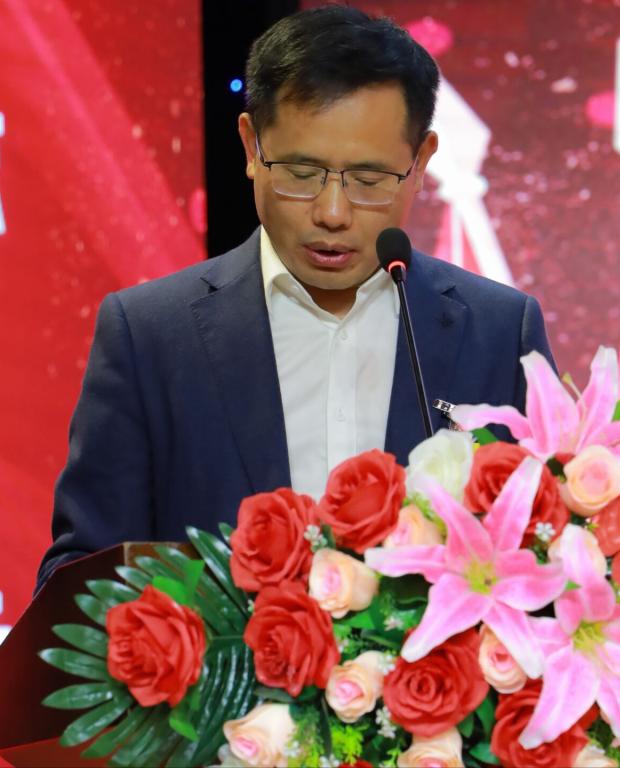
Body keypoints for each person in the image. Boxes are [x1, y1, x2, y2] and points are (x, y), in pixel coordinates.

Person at [36, 5, 554, 591]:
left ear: (420, 163)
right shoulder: (151, 336)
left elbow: (550, 556)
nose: (332, 213)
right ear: (251, 146)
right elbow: (80, 583)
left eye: (369, 180)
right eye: (301, 173)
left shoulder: (498, 332)